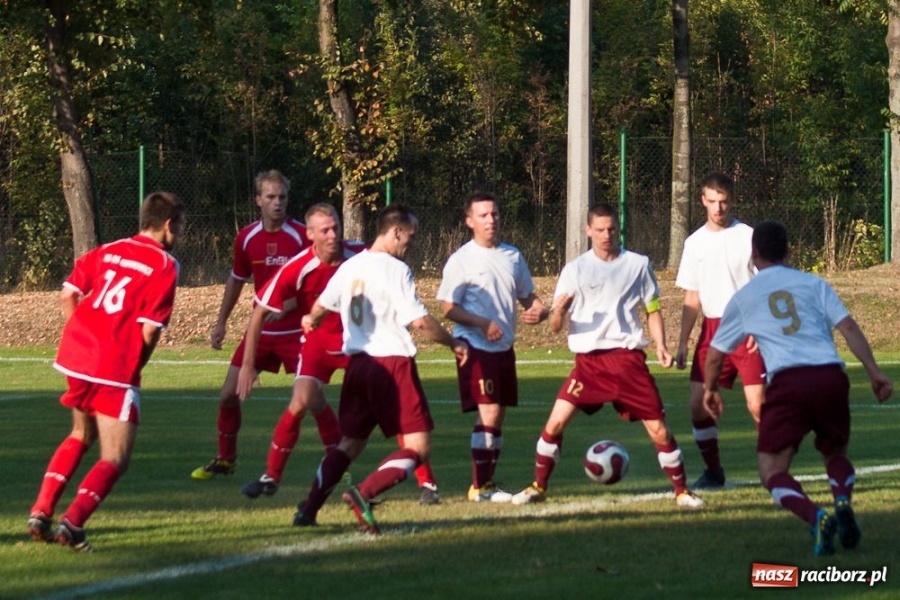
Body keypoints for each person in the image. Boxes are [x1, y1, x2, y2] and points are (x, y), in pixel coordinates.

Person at [703, 220, 892, 556]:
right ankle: (843, 501)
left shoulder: (746, 297)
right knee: (834, 453)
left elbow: (716, 355)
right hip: (831, 376)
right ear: (788, 250)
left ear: (754, 252)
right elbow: (847, 326)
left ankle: (816, 516)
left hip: (789, 381)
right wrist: (874, 372)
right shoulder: (813, 283)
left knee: (772, 470)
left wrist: (710, 389)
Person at [235, 204, 440, 504]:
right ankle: (271, 476)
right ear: (310, 235)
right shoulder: (298, 265)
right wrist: (248, 364)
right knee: (302, 399)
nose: (334, 235)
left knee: (394, 416)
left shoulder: (359, 254)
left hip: (359, 344)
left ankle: (427, 484)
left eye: (336, 228)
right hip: (323, 343)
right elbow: (261, 310)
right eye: (325, 230)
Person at [511, 203, 704, 509]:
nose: (606, 235)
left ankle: (681, 491)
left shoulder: (638, 264)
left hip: (628, 362)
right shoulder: (575, 270)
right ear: (588, 230)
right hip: (588, 364)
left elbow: (651, 309)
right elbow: (555, 327)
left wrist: (661, 346)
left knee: (659, 429)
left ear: (618, 229)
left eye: (611, 229)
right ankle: (539, 486)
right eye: (599, 229)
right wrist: (557, 311)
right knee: (555, 423)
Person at [292, 205, 468, 534]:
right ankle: (364, 493)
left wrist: (309, 319)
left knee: (350, 445)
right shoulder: (395, 270)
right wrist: (454, 342)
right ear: (395, 232)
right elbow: (419, 320)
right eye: (410, 237)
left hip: (358, 366)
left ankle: (308, 510)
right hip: (392, 364)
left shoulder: (350, 267)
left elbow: (320, 306)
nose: (411, 244)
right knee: (418, 448)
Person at [26, 191, 185, 552]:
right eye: (181, 226)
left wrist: (81, 337)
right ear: (169, 224)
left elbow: (68, 294)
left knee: (81, 434)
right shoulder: (165, 265)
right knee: (115, 456)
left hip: (77, 358)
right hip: (114, 366)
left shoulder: (106, 249)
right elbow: (149, 330)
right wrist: (133, 367)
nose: (181, 234)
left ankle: (41, 510)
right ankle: (73, 523)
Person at [190, 170, 341, 481]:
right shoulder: (246, 237)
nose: (277, 203)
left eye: (282, 197)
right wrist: (221, 322)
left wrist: (288, 304)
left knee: (313, 399)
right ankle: (225, 460)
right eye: (271, 197)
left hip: (298, 333)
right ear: (258, 200)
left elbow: (317, 279)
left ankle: (339, 461)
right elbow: (236, 279)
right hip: (261, 332)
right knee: (228, 395)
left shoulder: (303, 235)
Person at [436, 191, 547, 502]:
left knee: (497, 416)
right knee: (491, 411)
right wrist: (482, 323)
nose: (491, 219)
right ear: (469, 221)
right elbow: (447, 307)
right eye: (483, 215)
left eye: (494, 214)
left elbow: (528, 297)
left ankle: (485, 483)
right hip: (474, 346)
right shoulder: (461, 260)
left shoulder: (512, 256)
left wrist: (541, 310)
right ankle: (480, 487)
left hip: (503, 349)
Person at [674, 171, 765, 490]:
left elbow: (767, 284)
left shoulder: (749, 236)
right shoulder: (694, 242)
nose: (718, 208)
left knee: (758, 405)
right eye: (712, 201)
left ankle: (775, 471)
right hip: (712, 331)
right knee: (697, 403)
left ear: (732, 201)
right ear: (703, 200)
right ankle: (714, 471)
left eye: (724, 202)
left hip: (747, 329)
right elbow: (692, 295)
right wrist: (683, 341)